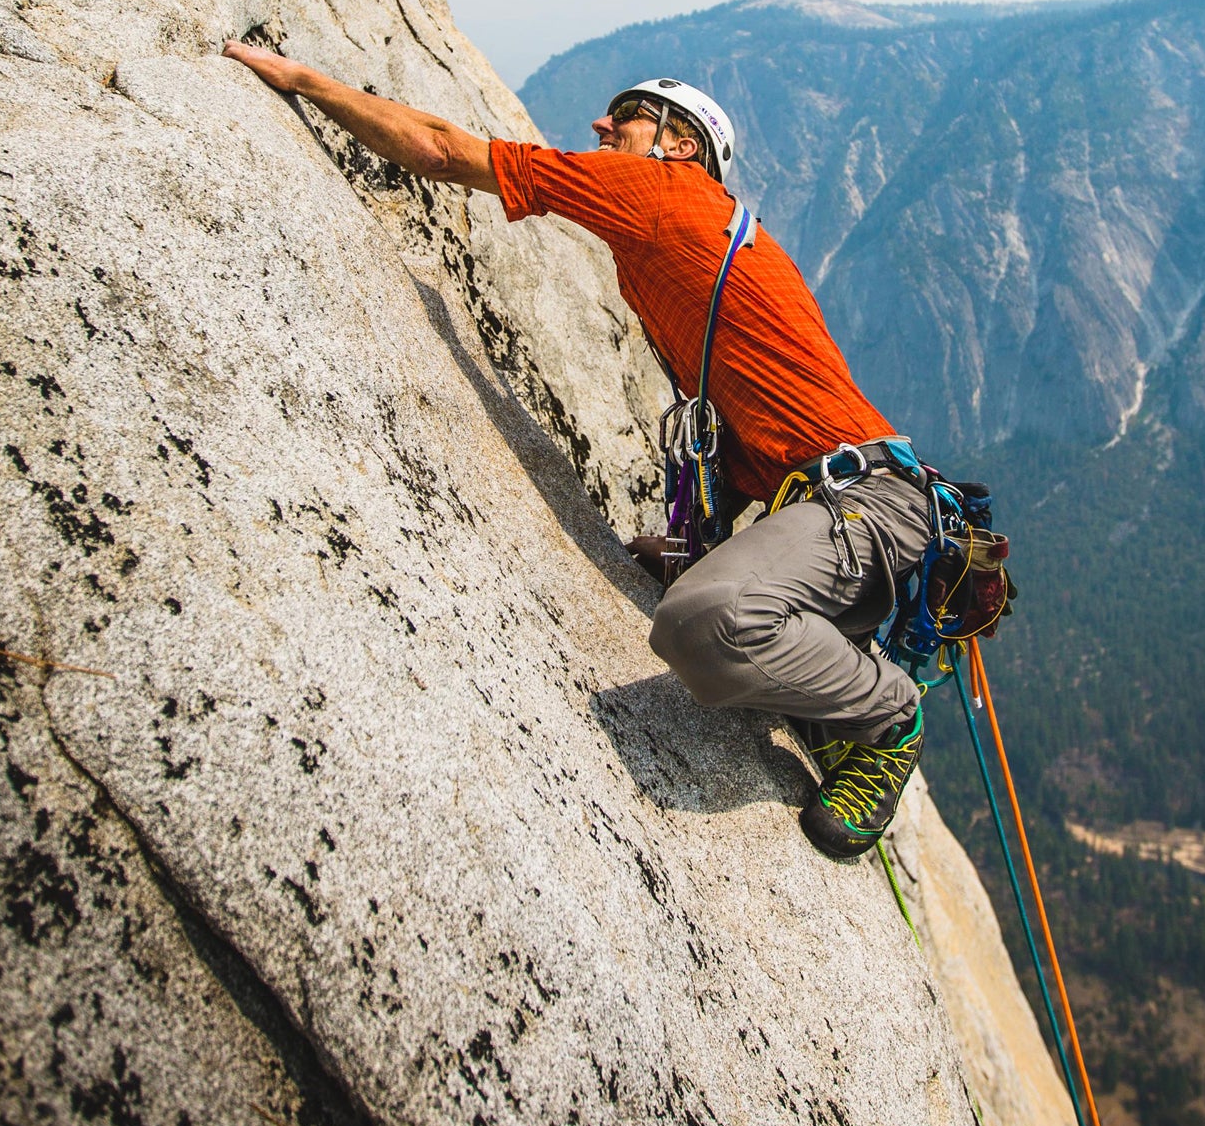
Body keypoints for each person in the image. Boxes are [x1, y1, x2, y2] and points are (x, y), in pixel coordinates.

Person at [222, 42, 934, 857]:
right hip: (853, 511)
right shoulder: (685, 254)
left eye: (627, 116)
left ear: (680, 146)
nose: (602, 121)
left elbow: (444, 150)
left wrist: (305, 81)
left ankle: (887, 717)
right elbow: (746, 437)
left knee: (703, 624)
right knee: (704, 594)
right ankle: (828, 680)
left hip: (862, 507)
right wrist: (687, 543)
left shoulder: (666, 193)